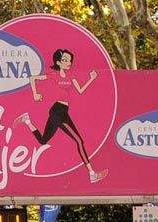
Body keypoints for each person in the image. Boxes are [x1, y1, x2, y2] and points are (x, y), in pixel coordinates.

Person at [15, 48, 108, 183]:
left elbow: (80, 90)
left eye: (69, 60)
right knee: (79, 141)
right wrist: (35, 93)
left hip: (63, 111)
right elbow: (32, 78)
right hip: (58, 111)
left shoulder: (71, 76)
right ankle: (92, 174)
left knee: (43, 140)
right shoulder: (53, 75)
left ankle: (27, 120)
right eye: (64, 60)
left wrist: (91, 79)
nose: (68, 62)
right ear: (58, 62)